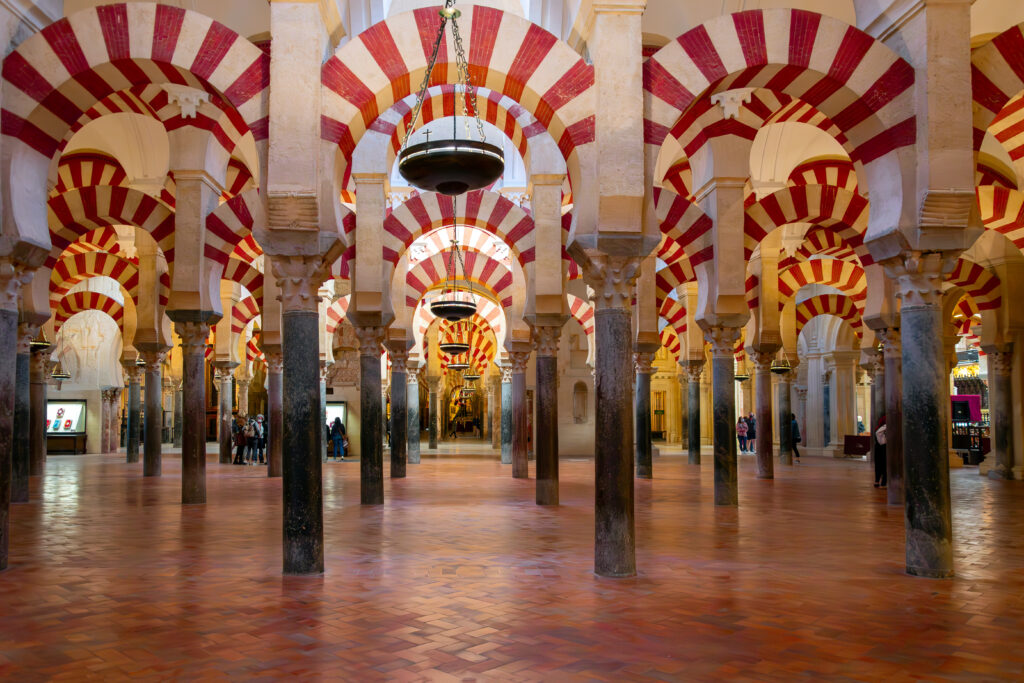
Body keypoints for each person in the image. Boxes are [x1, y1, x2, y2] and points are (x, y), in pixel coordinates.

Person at [874, 415, 887, 488]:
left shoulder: (878, 428)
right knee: (885, 465)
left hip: (878, 448)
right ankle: (883, 483)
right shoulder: (886, 427)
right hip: (884, 448)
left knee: (878, 465)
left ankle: (877, 481)